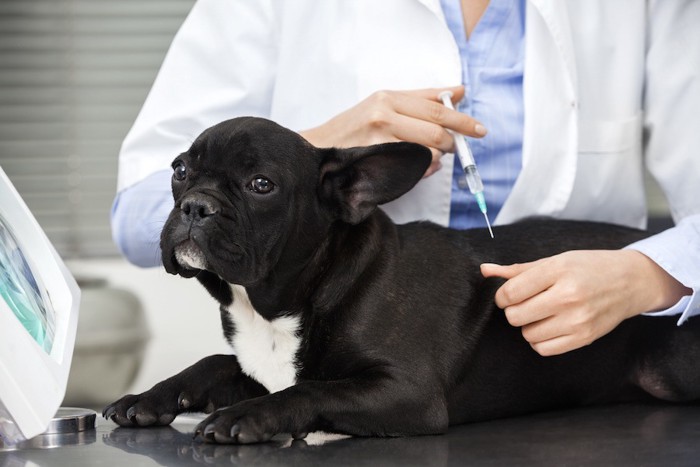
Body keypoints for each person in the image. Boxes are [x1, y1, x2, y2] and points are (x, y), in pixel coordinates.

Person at [112, 0, 699, 356]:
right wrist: (307, 154)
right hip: (342, 382)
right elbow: (136, 220)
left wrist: (651, 275)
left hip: (588, 381)